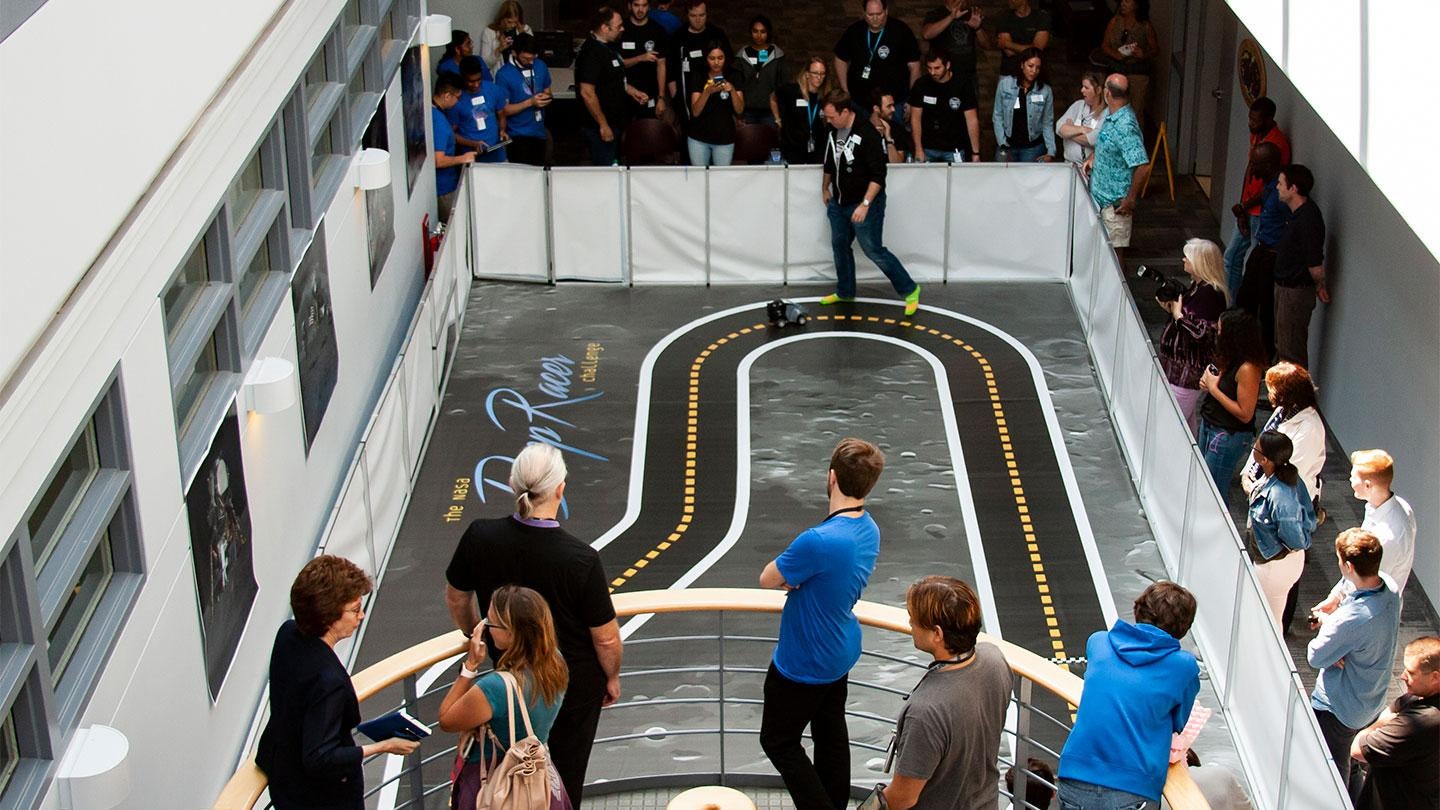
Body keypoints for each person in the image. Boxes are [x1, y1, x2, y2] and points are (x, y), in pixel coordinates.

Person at [444, 443, 622, 806]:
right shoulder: (581, 559)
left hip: (511, 679)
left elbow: (457, 598)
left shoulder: (480, 536)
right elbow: (605, 638)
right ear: (560, 489)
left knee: (506, 766)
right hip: (571, 681)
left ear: (513, 486)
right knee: (565, 777)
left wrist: (477, 635)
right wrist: (612, 677)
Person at [759, 438, 886, 810]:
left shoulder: (817, 541)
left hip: (804, 660)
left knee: (778, 741)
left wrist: (793, 578)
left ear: (831, 478)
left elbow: (767, 578)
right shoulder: (869, 530)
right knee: (830, 731)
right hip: (840, 650)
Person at [255, 556, 420, 810]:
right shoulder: (328, 681)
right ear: (328, 615)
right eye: (355, 609)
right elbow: (321, 757)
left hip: (284, 779)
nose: (361, 616)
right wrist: (383, 746)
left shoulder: (287, 634)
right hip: (322, 797)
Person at [1058, 581, 1200, 809]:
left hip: (1075, 776)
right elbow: (1178, 722)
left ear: (1138, 609)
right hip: (1133, 787)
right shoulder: (1183, 667)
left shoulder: (1099, 642)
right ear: (1183, 627)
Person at [880, 576, 1012, 810]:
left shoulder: (925, 711)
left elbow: (903, 797)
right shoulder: (994, 659)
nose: (910, 622)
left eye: (915, 619)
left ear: (938, 634)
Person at [439, 585, 569, 810]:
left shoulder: (496, 688)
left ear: (511, 632)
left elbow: (447, 719)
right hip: (539, 779)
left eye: (490, 623)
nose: (486, 628)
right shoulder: (555, 662)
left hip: (495, 778)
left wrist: (470, 667)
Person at [1308, 528, 1402, 790]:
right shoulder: (1389, 589)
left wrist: (1329, 625)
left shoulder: (1351, 620)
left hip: (1338, 709)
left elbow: (1315, 656)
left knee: (1336, 777)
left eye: (1339, 561)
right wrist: (1335, 601)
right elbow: (1351, 586)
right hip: (1371, 698)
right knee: (1355, 764)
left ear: (1348, 565)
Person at [816, 90, 921, 315]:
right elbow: (830, 163)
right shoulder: (833, 132)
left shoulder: (868, 134)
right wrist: (825, 188)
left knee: (873, 249)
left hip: (865, 202)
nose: (828, 120)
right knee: (839, 245)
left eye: (832, 116)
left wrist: (865, 204)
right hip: (839, 202)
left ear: (845, 112)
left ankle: (910, 289)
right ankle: (845, 290)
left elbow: (878, 175)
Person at [1240, 362, 1326, 633]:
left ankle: (1283, 625)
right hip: (1268, 499)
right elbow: (1266, 447)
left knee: (1277, 595)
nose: (1269, 392)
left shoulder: (1309, 428)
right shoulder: (1285, 412)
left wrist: (1256, 487)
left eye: (1273, 387)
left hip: (1283, 517)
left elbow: (1287, 469)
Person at [1313, 450, 1416, 611]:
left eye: (1353, 476)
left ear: (1368, 485)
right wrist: (1335, 596)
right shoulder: (1395, 506)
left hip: (1372, 613)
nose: (1349, 479)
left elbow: (1366, 583)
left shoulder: (1387, 538)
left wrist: (1337, 614)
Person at [1351, 636, 1440, 810]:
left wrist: (1377, 725)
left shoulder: (1421, 721)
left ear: (1435, 677)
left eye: (1411, 673)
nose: (1402, 676)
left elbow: (1357, 749)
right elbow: (1398, 704)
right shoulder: (1418, 699)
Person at [1244, 430, 1317, 625]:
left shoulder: (1280, 495)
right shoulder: (1283, 477)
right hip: (1276, 562)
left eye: (1255, 448)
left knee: (1268, 622)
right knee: (1268, 616)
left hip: (1275, 566)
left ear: (1265, 460)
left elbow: (1294, 536)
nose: (1253, 450)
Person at [1157, 238, 1228, 431]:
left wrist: (1178, 316)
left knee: (1172, 424)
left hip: (1188, 372)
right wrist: (1172, 310)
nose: (1183, 260)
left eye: (1187, 257)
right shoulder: (1197, 287)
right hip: (1177, 369)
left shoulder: (1211, 294)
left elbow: (1203, 333)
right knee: (1184, 424)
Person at [1197, 309, 1266, 506]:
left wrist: (1213, 389)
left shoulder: (1248, 368)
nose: (1216, 334)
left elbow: (1245, 414)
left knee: (1214, 491)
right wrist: (1208, 381)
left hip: (1228, 434)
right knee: (1203, 480)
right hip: (1210, 424)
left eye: (1220, 331)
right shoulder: (1228, 357)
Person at [1224, 98, 1292, 297]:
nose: (1250, 124)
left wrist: (1245, 207)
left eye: (1255, 120)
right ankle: (1229, 305)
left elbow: (1271, 186)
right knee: (1231, 257)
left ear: (1269, 119)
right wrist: (1242, 208)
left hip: (1261, 214)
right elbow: (1250, 174)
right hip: (1247, 210)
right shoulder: (1257, 135)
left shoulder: (1277, 145)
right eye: (1250, 119)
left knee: (1254, 264)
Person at [1084, 73, 1149, 261]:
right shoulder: (1111, 116)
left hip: (1115, 206)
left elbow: (1142, 165)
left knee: (1114, 259)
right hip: (1099, 200)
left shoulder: (1125, 124)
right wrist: (1093, 158)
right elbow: (1106, 143)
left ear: (1107, 93)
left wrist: (1130, 199)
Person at [1272, 164, 1330, 368]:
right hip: (1286, 288)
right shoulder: (1299, 214)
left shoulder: (1308, 218)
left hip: (1294, 292)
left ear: (1293, 188)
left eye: (1281, 183)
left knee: (1291, 350)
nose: (1277, 187)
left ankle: (1294, 397)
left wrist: (1319, 284)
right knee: (1283, 344)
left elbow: (1314, 261)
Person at [576, 6, 649, 166]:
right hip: (600, 128)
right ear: (604, 28)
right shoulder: (591, 52)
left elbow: (613, 80)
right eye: (618, 26)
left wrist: (632, 91)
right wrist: (603, 124)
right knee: (606, 171)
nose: (622, 29)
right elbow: (587, 92)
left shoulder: (609, 47)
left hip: (616, 122)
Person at [1234, 141, 1288, 351]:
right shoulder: (1269, 186)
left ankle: (1264, 353)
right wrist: (1243, 207)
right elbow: (1261, 196)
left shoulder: (1280, 193)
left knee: (1266, 307)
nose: (1252, 168)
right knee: (1245, 298)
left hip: (1273, 256)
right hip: (1262, 249)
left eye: (1255, 164)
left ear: (1267, 164)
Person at [834, 0, 922, 123]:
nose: (875, 18)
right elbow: (840, 59)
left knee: (894, 138)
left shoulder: (901, 31)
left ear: (886, 11)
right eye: (870, 14)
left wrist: (912, 99)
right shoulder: (854, 31)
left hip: (894, 103)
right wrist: (845, 91)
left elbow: (915, 66)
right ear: (864, 13)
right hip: (860, 102)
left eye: (878, 14)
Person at [909, 50, 980, 163]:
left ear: (947, 65)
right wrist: (918, 148)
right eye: (929, 68)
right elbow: (915, 119)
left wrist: (975, 152)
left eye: (937, 68)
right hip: (928, 148)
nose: (932, 72)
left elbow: (971, 120)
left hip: (954, 148)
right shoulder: (921, 84)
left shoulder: (962, 85)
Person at [668, 2, 732, 125]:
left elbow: (728, 63)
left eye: (702, 15)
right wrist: (676, 96)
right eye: (693, 15)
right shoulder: (678, 36)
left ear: (707, 14)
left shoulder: (717, 34)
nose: (698, 20)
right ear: (687, 15)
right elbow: (670, 70)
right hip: (686, 97)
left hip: (715, 94)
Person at [1094, 0, 1156, 124]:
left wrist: (1143, 54)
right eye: (1122, 1)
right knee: (1113, 108)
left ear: (1136, 4)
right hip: (1117, 70)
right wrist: (1116, 55)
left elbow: (1155, 49)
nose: (1123, 3)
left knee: (1136, 111)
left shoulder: (1145, 26)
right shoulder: (1114, 23)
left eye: (1127, 1)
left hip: (1137, 71)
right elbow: (1105, 46)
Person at [497, 34, 555, 167]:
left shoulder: (540, 65)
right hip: (518, 135)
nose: (530, 62)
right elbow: (504, 109)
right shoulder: (503, 74)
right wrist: (530, 102)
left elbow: (548, 90)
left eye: (532, 58)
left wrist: (545, 98)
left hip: (539, 131)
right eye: (526, 59)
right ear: (514, 53)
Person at [992, 48, 1054, 162]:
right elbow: (997, 115)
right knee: (1003, 178)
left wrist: (1051, 151)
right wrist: (1002, 143)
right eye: (1030, 66)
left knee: (1029, 179)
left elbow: (1047, 122)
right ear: (1022, 65)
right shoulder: (1005, 84)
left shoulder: (1045, 90)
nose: (1034, 71)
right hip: (1007, 145)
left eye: (1038, 67)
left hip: (1032, 148)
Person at [687, 42, 744, 166]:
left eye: (720, 58)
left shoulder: (734, 75)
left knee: (721, 179)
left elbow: (739, 110)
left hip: (725, 138)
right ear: (706, 59)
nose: (716, 62)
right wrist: (707, 92)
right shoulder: (698, 75)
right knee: (699, 177)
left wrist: (732, 90)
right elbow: (695, 111)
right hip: (699, 138)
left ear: (726, 58)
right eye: (712, 58)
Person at [921, 0, 989, 101]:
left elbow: (987, 45)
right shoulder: (936, 14)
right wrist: (951, 17)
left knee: (969, 111)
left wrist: (978, 28)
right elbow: (926, 34)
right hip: (943, 77)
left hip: (968, 77)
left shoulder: (970, 14)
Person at [431, 73, 476, 222]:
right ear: (446, 96)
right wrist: (464, 158)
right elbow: (439, 160)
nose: (458, 102)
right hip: (444, 188)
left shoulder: (431, 113)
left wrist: (472, 144)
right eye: (457, 97)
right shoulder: (439, 122)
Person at [775, 56, 834, 165]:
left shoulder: (826, 96)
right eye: (815, 73)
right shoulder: (791, 90)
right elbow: (773, 97)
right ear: (807, 74)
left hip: (817, 147)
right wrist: (778, 120)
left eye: (822, 74)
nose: (819, 77)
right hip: (793, 146)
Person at [616, 0, 669, 121]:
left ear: (649, 7)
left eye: (644, 5)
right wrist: (640, 58)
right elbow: (616, 65)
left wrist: (661, 97)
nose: (640, 10)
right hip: (624, 94)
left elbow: (661, 65)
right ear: (629, 6)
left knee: (648, 133)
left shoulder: (658, 30)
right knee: (625, 135)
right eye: (636, 5)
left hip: (649, 94)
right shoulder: (620, 30)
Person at [450, 57, 509, 163]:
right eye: (471, 81)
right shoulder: (455, 99)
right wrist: (473, 144)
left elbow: (501, 114)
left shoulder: (493, 89)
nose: (476, 85)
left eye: (478, 80)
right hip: (472, 157)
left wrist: (502, 131)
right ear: (463, 77)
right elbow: (451, 134)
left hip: (497, 153)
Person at [731, 16, 785, 126]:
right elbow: (737, 85)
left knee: (768, 142)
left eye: (763, 32)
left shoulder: (777, 56)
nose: (759, 35)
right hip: (747, 112)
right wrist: (738, 114)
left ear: (768, 33)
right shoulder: (742, 56)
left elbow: (782, 83)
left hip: (770, 112)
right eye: (755, 31)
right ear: (750, 32)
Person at [1056, 70, 1107, 168]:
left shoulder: (1105, 113)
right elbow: (1059, 127)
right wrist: (1081, 129)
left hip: (1090, 169)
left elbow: (1094, 139)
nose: (1082, 90)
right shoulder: (1078, 105)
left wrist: (1069, 131)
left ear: (1099, 90)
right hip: (1069, 166)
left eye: (1086, 87)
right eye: (1082, 86)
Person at [992, 0, 1051, 75]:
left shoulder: (1041, 17)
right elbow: (1009, 53)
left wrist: (1007, 44)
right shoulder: (1004, 17)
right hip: (1010, 73)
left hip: (1035, 74)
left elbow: (1037, 50)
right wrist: (1029, 48)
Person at [480, 2, 532, 77]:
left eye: (516, 22)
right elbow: (484, 64)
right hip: (499, 77)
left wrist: (523, 36)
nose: (513, 25)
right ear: (502, 18)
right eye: (509, 22)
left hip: (520, 76)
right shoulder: (489, 32)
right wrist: (499, 49)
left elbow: (532, 56)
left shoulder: (525, 29)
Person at [869, 89, 906, 163]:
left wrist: (888, 139)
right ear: (876, 108)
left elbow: (898, 164)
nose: (893, 109)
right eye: (889, 106)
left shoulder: (897, 129)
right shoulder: (862, 129)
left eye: (893, 105)